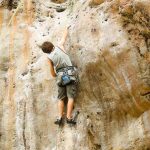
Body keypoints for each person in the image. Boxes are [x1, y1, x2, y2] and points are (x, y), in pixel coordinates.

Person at [40, 27, 78, 125]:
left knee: (61, 98)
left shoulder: (49, 58)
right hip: (70, 74)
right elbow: (64, 37)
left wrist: (57, 73)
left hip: (60, 77)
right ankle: (69, 117)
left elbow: (53, 74)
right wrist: (65, 28)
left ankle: (60, 117)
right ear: (52, 45)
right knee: (70, 97)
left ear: (45, 52)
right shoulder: (59, 46)